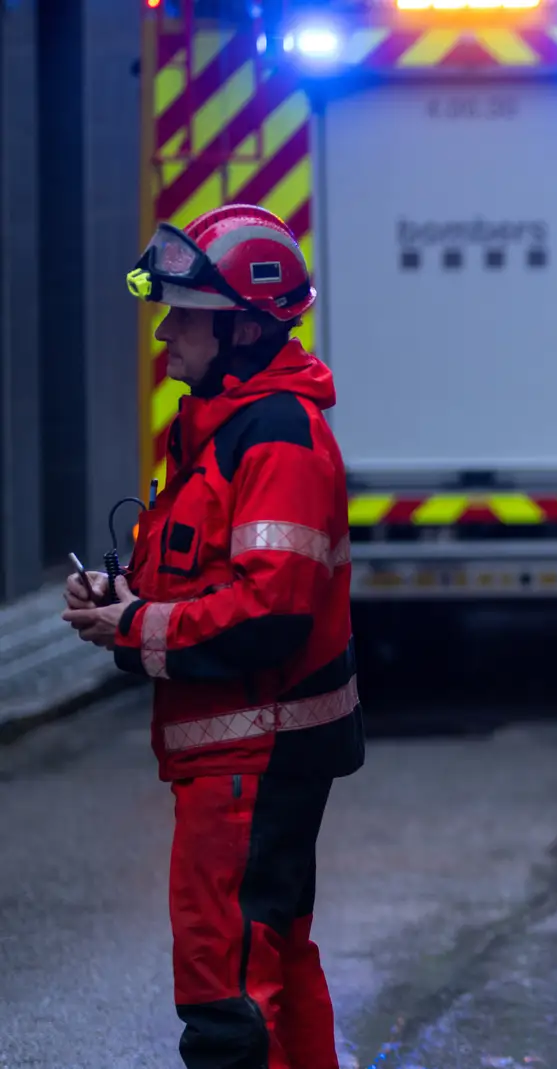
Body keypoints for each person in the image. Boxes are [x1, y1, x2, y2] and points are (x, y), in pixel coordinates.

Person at [61, 203, 363, 1069]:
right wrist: (125, 599)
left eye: (185, 315)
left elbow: (270, 614)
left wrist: (135, 624)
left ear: (240, 328)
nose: (165, 334)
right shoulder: (222, 427)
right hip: (244, 756)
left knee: (227, 990)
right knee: (272, 961)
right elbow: (212, 579)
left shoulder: (276, 439)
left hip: (253, 757)